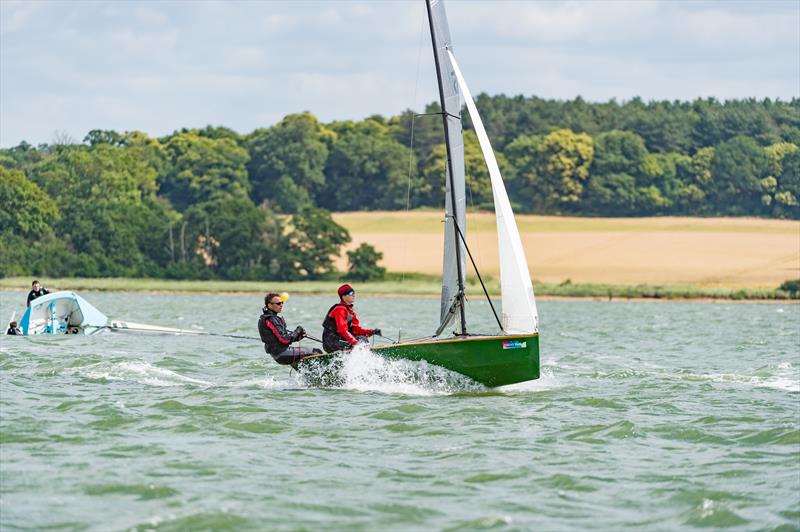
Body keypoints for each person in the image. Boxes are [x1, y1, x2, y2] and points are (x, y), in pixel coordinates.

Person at [258, 292, 318, 365]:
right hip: (281, 354)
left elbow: (283, 338)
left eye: (282, 303)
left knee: (311, 352)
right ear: (269, 305)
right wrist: (298, 331)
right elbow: (285, 339)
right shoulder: (270, 319)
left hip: (281, 353)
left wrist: (298, 336)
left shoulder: (271, 318)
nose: (281, 305)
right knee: (316, 351)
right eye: (278, 303)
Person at [322, 284, 381, 353]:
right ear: (343, 296)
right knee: (361, 341)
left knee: (362, 338)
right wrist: (356, 343)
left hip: (341, 341)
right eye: (351, 293)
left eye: (354, 293)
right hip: (331, 343)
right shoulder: (339, 309)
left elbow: (356, 330)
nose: (354, 295)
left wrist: (371, 332)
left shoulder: (350, 311)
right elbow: (342, 330)